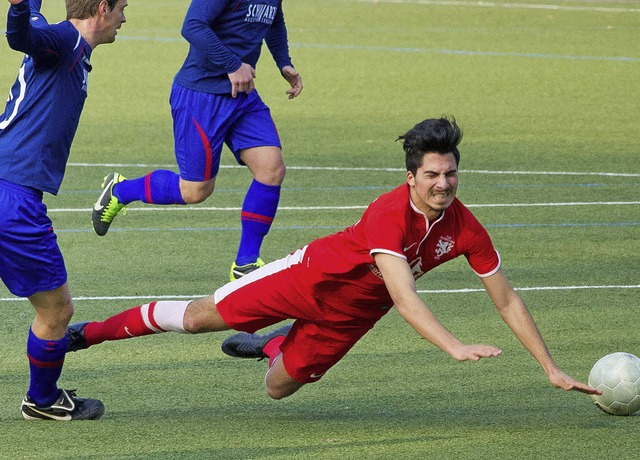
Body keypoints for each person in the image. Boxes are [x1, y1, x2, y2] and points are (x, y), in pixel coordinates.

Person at [67, 116, 600, 401]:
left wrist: (550, 368)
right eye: (433, 175)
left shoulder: (467, 227)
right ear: (411, 176)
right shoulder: (388, 214)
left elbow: (506, 298)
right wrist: (453, 345)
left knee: (277, 390)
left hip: (351, 316)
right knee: (195, 318)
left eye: (451, 174)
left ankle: (275, 347)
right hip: (307, 279)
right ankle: (89, 334)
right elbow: (405, 297)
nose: (443, 185)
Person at [91, 0, 303, 281]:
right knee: (195, 191)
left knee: (271, 168)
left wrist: (283, 62)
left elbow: (274, 20)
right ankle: (121, 191)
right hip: (200, 97)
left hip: (242, 95)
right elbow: (192, 26)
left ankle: (246, 262)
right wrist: (232, 64)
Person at [0, 0, 128, 420]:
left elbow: (32, 25)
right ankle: (43, 400)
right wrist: (19, 8)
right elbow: (21, 35)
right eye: (123, 8)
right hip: (12, 199)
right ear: (103, 8)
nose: (125, 19)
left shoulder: (64, 41)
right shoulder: (67, 39)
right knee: (56, 310)